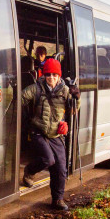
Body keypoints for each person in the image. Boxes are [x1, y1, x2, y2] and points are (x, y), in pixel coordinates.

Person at [21, 58, 80, 210]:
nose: (51, 78)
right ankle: (29, 171)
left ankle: (57, 200)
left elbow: (73, 111)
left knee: (60, 168)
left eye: (54, 75)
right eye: (48, 74)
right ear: (44, 75)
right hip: (38, 132)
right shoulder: (36, 88)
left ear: (59, 75)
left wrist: (77, 98)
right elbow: (21, 98)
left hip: (56, 134)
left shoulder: (65, 90)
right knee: (48, 159)